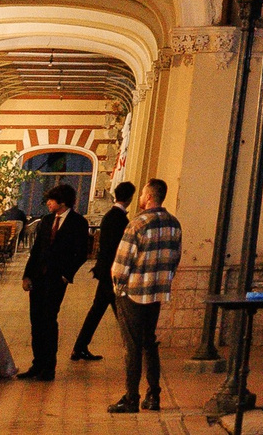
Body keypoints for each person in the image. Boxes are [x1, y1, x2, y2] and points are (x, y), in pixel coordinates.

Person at [106, 178, 181, 415]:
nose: (139, 198)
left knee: (132, 346)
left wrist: (118, 288)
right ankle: (153, 394)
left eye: (142, 194)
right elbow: (175, 258)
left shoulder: (138, 224)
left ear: (148, 197)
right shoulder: (174, 223)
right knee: (150, 342)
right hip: (156, 292)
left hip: (133, 292)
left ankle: (131, 398)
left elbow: (121, 264)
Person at [19, 182, 92, 382]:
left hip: (56, 278)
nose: (48, 203)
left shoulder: (78, 222)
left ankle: (48, 367)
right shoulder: (46, 220)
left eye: (51, 200)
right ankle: (37, 363)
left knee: (49, 319)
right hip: (38, 277)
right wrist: (27, 275)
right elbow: (36, 250)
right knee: (36, 320)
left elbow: (82, 253)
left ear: (63, 202)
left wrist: (66, 275)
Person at [69, 180, 132, 362]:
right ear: (129, 198)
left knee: (100, 310)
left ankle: (80, 347)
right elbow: (116, 248)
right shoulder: (119, 219)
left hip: (106, 272)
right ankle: (135, 344)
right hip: (112, 273)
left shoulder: (110, 216)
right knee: (121, 312)